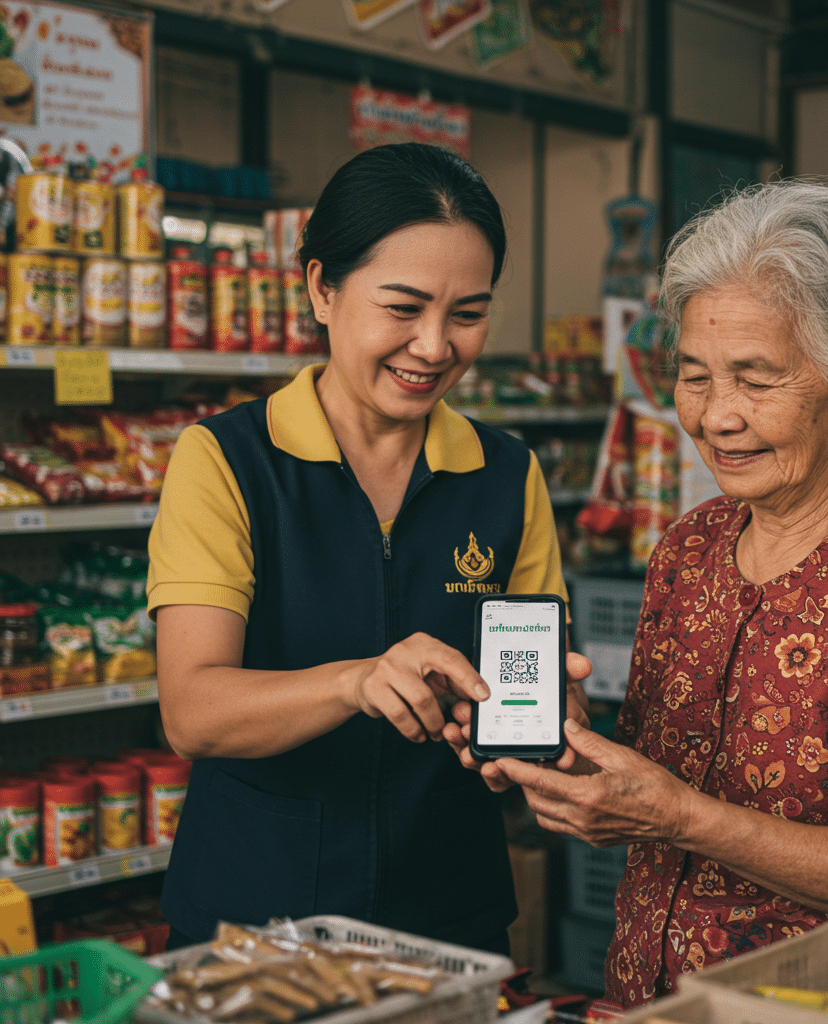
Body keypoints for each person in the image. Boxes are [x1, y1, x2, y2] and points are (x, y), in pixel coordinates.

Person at [480, 181, 828, 1007]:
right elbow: (659, 784)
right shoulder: (689, 546)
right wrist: (573, 743)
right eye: (695, 376)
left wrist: (682, 817)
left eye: (756, 381)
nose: (716, 416)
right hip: (648, 999)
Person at [147, 142, 589, 953]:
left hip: (449, 917)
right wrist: (356, 681)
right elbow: (193, 711)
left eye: (467, 314)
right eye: (402, 307)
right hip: (255, 920)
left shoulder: (505, 475)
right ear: (322, 287)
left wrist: (547, 727)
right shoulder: (229, 462)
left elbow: (535, 682)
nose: (433, 346)